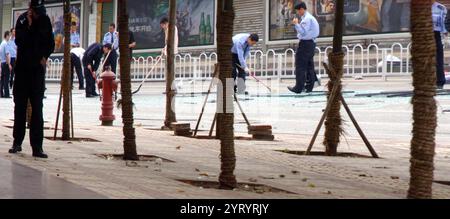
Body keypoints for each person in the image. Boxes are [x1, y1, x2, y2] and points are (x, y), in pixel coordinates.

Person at [9, 0, 55, 158]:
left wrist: (45, 56)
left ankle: (37, 147)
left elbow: (50, 43)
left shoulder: (44, 20)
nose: (37, 14)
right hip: (22, 71)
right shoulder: (22, 20)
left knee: (37, 109)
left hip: (37, 71)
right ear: (30, 9)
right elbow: (20, 42)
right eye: (35, 11)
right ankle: (17, 142)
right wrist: (29, 27)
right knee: (20, 108)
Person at [288, 2, 320, 94]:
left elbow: (303, 32)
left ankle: (298, 87)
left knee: (300, 65)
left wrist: (296, 24)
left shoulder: (307, 19)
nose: (298, 13)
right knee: (309, 65)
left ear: (302, 9)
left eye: (298, 11)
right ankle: (309, 87)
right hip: (311, 44)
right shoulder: (309, 18)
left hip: (306, 44)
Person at [432, 0, 448, 89]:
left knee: (438, 59)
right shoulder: (420, 8)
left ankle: (439, 81)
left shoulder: (441, 8)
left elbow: (443, 23)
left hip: (436, 34)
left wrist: (445, 31)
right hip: (423, 33)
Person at [0, 31, 13, 98]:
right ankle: (7, 94)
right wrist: (9, 64)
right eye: (9, 36)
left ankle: (1, 93)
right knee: (6, 79)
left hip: (2, 62)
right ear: (7, 36)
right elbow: (7, 54)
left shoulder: (2, 43)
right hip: (5, 63)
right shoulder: (6, 44)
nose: (10, 37)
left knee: (2, 79)